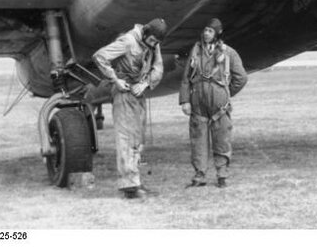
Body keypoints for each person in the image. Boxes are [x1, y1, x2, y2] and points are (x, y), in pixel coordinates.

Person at [93, 18, 167, 199]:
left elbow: (158, 67)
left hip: (139, 93)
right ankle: (129, 186)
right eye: (152, 41)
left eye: (156, 42)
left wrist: (146, 84)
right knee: (126, 139)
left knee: (138, 140)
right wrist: (115, 80)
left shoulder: (153, 43)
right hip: (124, 93)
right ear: (146, 33)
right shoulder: (127, 41)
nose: (154, 45)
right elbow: (100, 56)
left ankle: (135, 181)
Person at [179, 18, 248, 188]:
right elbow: (186, 78)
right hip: (198, 104)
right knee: (198, 140)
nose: (206, 34)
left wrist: (225, 93)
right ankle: (199, 175)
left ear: (217, 33)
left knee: (222, 139)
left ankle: (222, 174)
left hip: (220, 106)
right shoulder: (195, 52)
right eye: (205, 30)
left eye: (210, 31)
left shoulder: (229, 53)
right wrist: (185, 100)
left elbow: (241, 78)